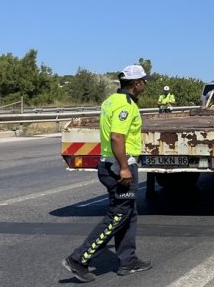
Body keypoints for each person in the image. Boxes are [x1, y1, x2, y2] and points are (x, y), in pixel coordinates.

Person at [62, 65, 153, 283]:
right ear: (136, 84)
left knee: (129, 214)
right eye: (144, 80)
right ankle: (78, 259)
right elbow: (116, 137)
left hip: (110, 163)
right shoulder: (126, 105)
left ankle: (127, 261)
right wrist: (123, 167)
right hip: (118, 166)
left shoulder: (110, 100)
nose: (146, 84)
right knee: (118, 215)